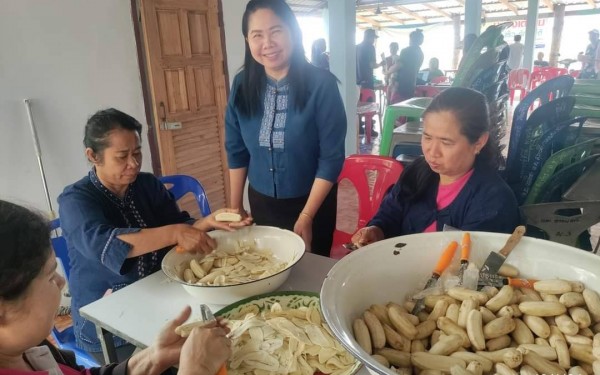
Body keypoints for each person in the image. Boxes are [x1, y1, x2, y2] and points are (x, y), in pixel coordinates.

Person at [58, 108, 251, 358]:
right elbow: (104, 243)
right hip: (108, 321)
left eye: (137, 153)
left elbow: (178, 225)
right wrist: (175, 233)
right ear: (93, 156)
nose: (134, 164)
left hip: (160, 294)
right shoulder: (76, 200)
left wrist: (205, 223)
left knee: (223, 343)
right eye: (122, 156)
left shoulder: (147, 184)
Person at [0, 200, 231, 375]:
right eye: (51, 277)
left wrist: (151, 358)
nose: (61, 283)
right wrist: (196, 368)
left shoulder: (30, 349)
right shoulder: (79, 200)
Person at [225, 0, 346, 257]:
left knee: (309, 274)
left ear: (293, 32)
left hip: (312, 204)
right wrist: (235, 207)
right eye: (257, 35)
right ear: (247, 40)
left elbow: (331, 158)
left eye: (276, 31)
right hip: (262, 201)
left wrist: (307, 215)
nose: (267, 43)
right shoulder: (241, 84)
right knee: (267, 268)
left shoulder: (322, 85)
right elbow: (236, 150)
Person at [350, 88, 520, 246]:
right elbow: (390, 213)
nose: (432, 152)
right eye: (427, 137)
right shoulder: (416, 173)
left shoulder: (493, 202)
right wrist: (376, 230)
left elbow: (470, 266)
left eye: (446, 142)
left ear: (479, 142)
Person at [386, 29, 424, 104]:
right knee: (406, 109)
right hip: (411, 85)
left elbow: (398, 65)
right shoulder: (421, 53)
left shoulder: (406, 51)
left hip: (400, 85)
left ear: (411, 39)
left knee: (395, 109)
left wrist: (388, 71)